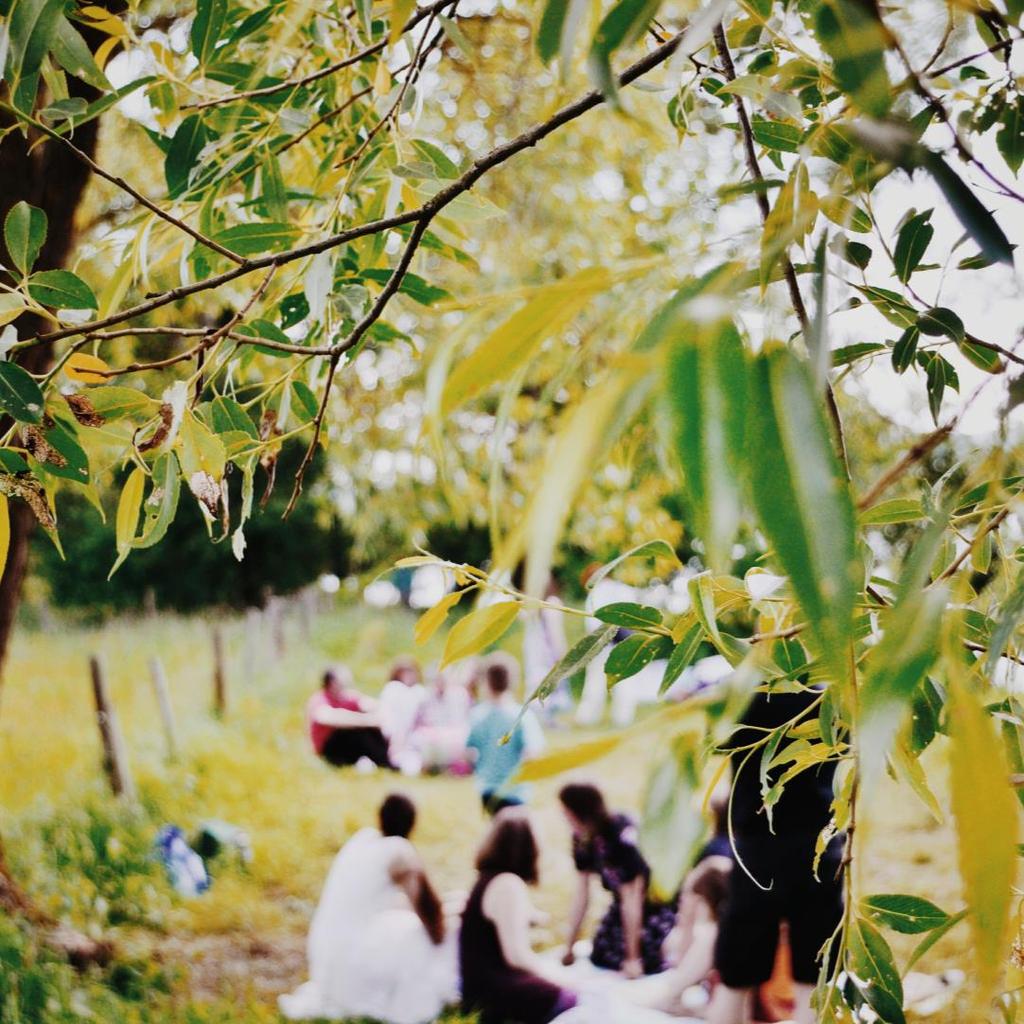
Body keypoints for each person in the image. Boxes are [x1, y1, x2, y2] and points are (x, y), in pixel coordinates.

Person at [706, 685, 844, 1024]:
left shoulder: (745, 696)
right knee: (815, 967)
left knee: (738, 967)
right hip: (818, 843)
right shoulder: (835, 695)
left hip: (759, 847)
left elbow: (715, 740)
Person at [280, 794, 457, 1024]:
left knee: (400, 922)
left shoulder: (362, 839)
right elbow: (429, 913)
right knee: (421, 935)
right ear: (413, 823)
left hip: (323, 951)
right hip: (350, 956)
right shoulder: (399, 850)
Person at [559, 783, 676, 978]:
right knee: (601, 954)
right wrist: (569, 945)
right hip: (622, 904)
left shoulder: (620, 834)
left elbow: (633, 897)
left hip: (655, 905)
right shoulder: (583, 839)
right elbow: (582, 893)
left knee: (645, 958)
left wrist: (633, 958)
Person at [466, 652, 545, 814]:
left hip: (487, 789)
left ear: (486, 682)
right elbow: (532, 753)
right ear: (513, 681)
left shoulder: (477, 715)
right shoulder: (522, 716)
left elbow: (467, 753)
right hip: (516, 791)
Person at [306, 665, 392, 768]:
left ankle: (388, 758)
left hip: (347, 747)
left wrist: (380, 716)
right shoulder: (320, 699)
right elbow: (328, 717)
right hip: (329, 748)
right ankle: (385, 763)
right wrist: (366, 721)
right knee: (359, 732)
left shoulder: (347, 697)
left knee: (372, 731)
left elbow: (371, 705)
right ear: (332, 681)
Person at [410, 668, 472, 774]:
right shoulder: (425, 697)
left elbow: (460, 720)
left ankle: (455, 766)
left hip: (452, 733)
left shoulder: (458, 695)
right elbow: (421, 721)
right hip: (431, 734)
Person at [379, 656, 428, 773]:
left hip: (414, 733)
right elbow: (387, 713)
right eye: (404, 672)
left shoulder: (420, 691)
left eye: (411, 672)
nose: (408, 676)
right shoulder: (392, 688)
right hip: (393, 732)